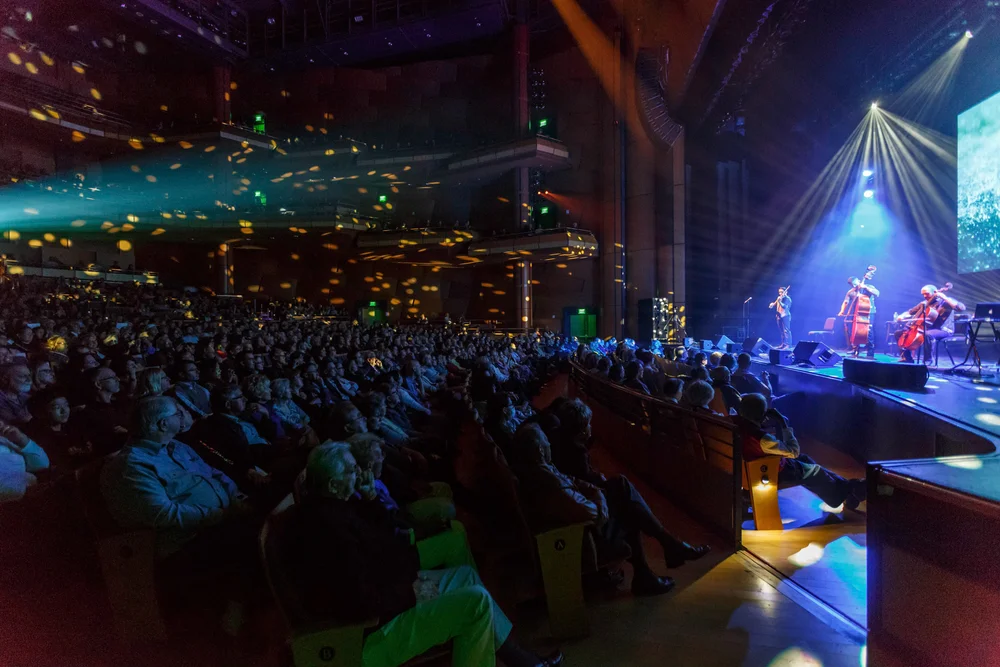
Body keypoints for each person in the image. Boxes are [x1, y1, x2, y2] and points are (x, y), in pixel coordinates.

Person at [279, 442, 563, 667]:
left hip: (385, 602)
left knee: (465, 576)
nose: (359, 474)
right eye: (352, 471)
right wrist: (414, 592)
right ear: (332, 484)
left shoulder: (334, 507)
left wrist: (370, 502)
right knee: (475, 602)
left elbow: (383, 548)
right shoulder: (328, 530)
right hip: (366, 636)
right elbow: (359, 599)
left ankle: (521, 660)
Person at [510, 424, 708, 596]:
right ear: (539, 450)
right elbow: (591, 513)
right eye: (546, 443)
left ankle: (659, 558)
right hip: (583, 537)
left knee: (620, 486)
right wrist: (599, 497)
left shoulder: (540, 469)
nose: (550, 445)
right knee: (628, 505)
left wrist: (596, 491)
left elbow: (575, 482)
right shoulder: (548, 481)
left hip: (580, 523)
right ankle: (664, 553)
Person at [736, 393, 865, 511]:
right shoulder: (762, 439)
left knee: (805, 459)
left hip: (747, 470)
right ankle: (843, 495)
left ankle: (849, 489)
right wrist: (784, 424)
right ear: (764, 416)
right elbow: (793, 451)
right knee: (815, 470)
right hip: (767, 472)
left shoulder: (733, 424)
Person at [895, 284, 966, 364]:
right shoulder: (924, 303)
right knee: (899, 333)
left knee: (928, 335)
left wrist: (944, 297)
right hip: (928, 329)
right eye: (923, 294)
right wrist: (902, 316)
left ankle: (927, 360)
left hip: (944, 330)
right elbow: (910, 312)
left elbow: (960, 308)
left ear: (935, 292)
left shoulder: (945, 301)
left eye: (927, 293)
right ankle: (907, 357)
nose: (925, 296)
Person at [0, 420, 49, 502]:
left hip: (39, 492)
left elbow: (42, 465)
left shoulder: (4, 440)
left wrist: (22, 441)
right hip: (22, 503)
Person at [838, 276, 880, 358]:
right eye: (852, 285)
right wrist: (842, 311)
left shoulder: (868, 287)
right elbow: (845, 302)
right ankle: (855, 349)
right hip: (857, 313)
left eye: (854, 283)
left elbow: (877, 293)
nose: (854, 286)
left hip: (869, 313)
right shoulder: (851, 292)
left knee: (869, 331)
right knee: (854, 330)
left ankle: (870, 352)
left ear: (858, 281)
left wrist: (866, 287)